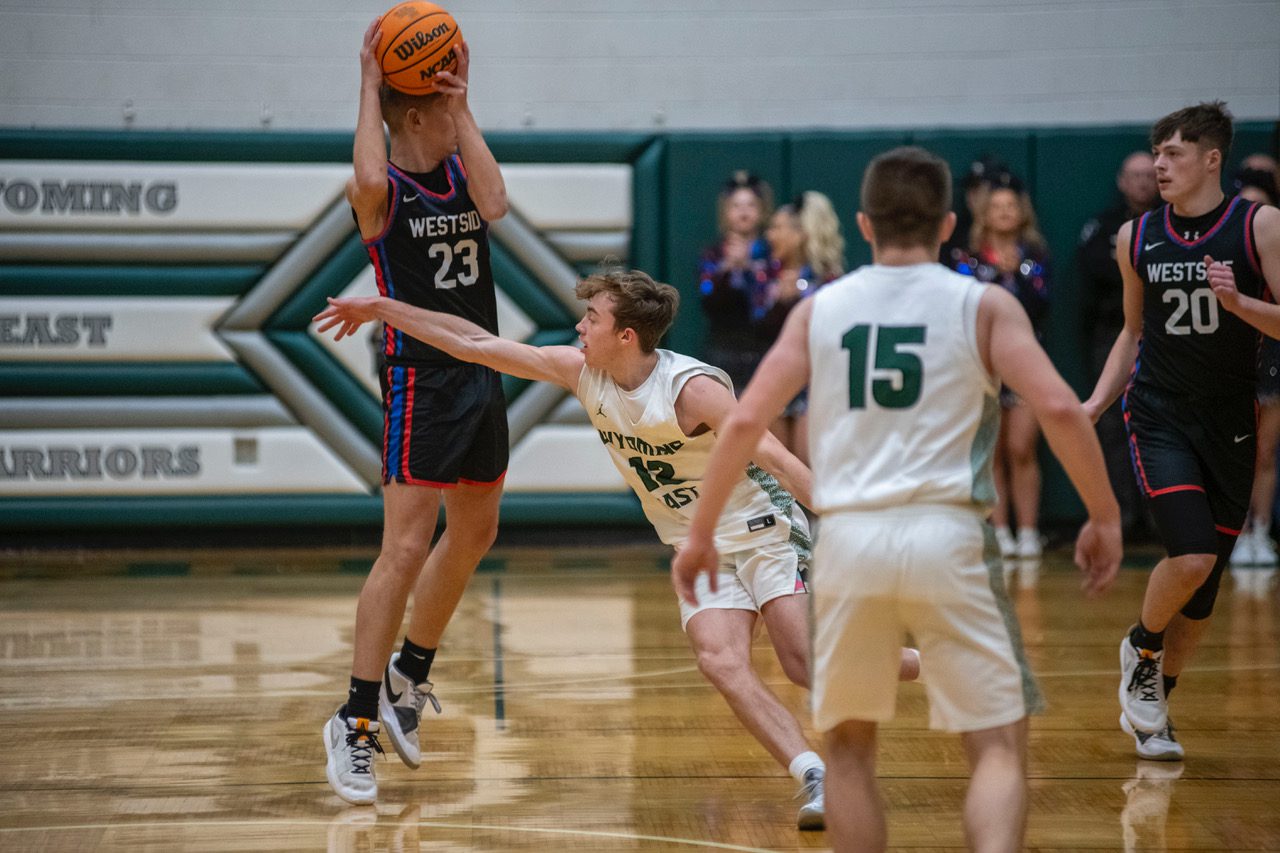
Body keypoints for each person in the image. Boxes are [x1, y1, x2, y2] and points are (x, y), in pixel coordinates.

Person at [315, 268, 923, 829]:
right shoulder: (583, 373)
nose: (579, 327)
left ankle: (920, 661)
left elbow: (782, 462)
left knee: (801, 663)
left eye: (592, 319)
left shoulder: (692, 391)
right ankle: (814, 775)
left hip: (762, 526)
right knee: (720, 660)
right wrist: (385, 308)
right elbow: (473, 343)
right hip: (696, 544)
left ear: (626, 336)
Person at [674, 146, 1121, 852]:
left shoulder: (821, 307)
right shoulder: (985, 304)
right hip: (949, 534)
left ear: (864, 223)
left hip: (850, 542)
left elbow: (745, 421)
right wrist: (1103, 514)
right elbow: (1062, 410)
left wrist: (699, 535)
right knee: (998, 745)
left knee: (849, 750)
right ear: (948, 225)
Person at [322, 19, 510, 806]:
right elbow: (368, 169)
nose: (452, 111)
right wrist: (370, 83)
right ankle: (355, 720)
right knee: (403, 547)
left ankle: (409, 673)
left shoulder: (463, 167)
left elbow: (497, 202)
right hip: (421, 383)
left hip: (482, 369)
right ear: (415, 115)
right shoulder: (381, 194)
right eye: (440, 104)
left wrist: (463, 106)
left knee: (475, 531)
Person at [1083, 101, 1280, 762]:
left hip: (1231, 418)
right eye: (1157, 154)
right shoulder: (1136, 236)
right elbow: (1131, 333)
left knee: (1203, 590)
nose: (1159, 165)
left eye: (1173, 154)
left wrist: (1240, 303)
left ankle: (1153, 702)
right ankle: (1142, 645)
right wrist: (1096, 403)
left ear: (1211, 158)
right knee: (1191, 556)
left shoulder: (1260, 226)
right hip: (1159, 411)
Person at [948, 178, 1052, 559]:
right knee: (989, 451)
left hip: (1023, 361)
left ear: (1022, 213)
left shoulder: (1035, 255)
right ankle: (1000, 530)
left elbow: (1042, 303)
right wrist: (995, 273)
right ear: (984, 214)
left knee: (1021, 448)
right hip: (980, 361)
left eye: (1011, 206)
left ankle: (1029, 531)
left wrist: (1016, 275)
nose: (1005, 212)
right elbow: (961, 305)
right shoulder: (967, 257)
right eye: (997, 206)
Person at [1078, 152, 1159, 542]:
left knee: (1158, 422)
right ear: (1122, 181)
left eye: (1149, 174)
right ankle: (1120, 514)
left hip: (1162, 332)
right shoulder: (1104, 226)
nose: (1143, 182)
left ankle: (1160, 516)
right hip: (1114, 330)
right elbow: (1097, 269)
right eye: (1135, 175)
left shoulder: (1172, 223)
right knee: (1110, 425)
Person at [758, 191, 846, 462]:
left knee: (808, 467)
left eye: (777, 228)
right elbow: (753, 322)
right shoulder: (763, 275)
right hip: (773, 378)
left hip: (815, 383)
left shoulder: (829, 279)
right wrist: (776, 299)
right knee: (775, 468)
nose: (770, 235)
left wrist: (799, 290)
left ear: (800, 234)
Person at [1229, 167, 1280, 569]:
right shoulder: (1225, 249)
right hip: (1231, 354)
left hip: (1272, 353)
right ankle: (1236, 531)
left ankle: (1260, 531)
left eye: (1260, 206)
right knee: (1234, 452)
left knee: (1263, 451)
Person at [698, 171, 775, 394]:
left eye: (751, 205)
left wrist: (749, 269)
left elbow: (769, 304)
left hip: (763, 352)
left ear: (762, 210)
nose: (744, 212)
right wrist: (727, 270)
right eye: (736, 205)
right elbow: (707, 298)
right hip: (723, 351)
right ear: (725, 212)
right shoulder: (713, 254)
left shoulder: (772, 253)